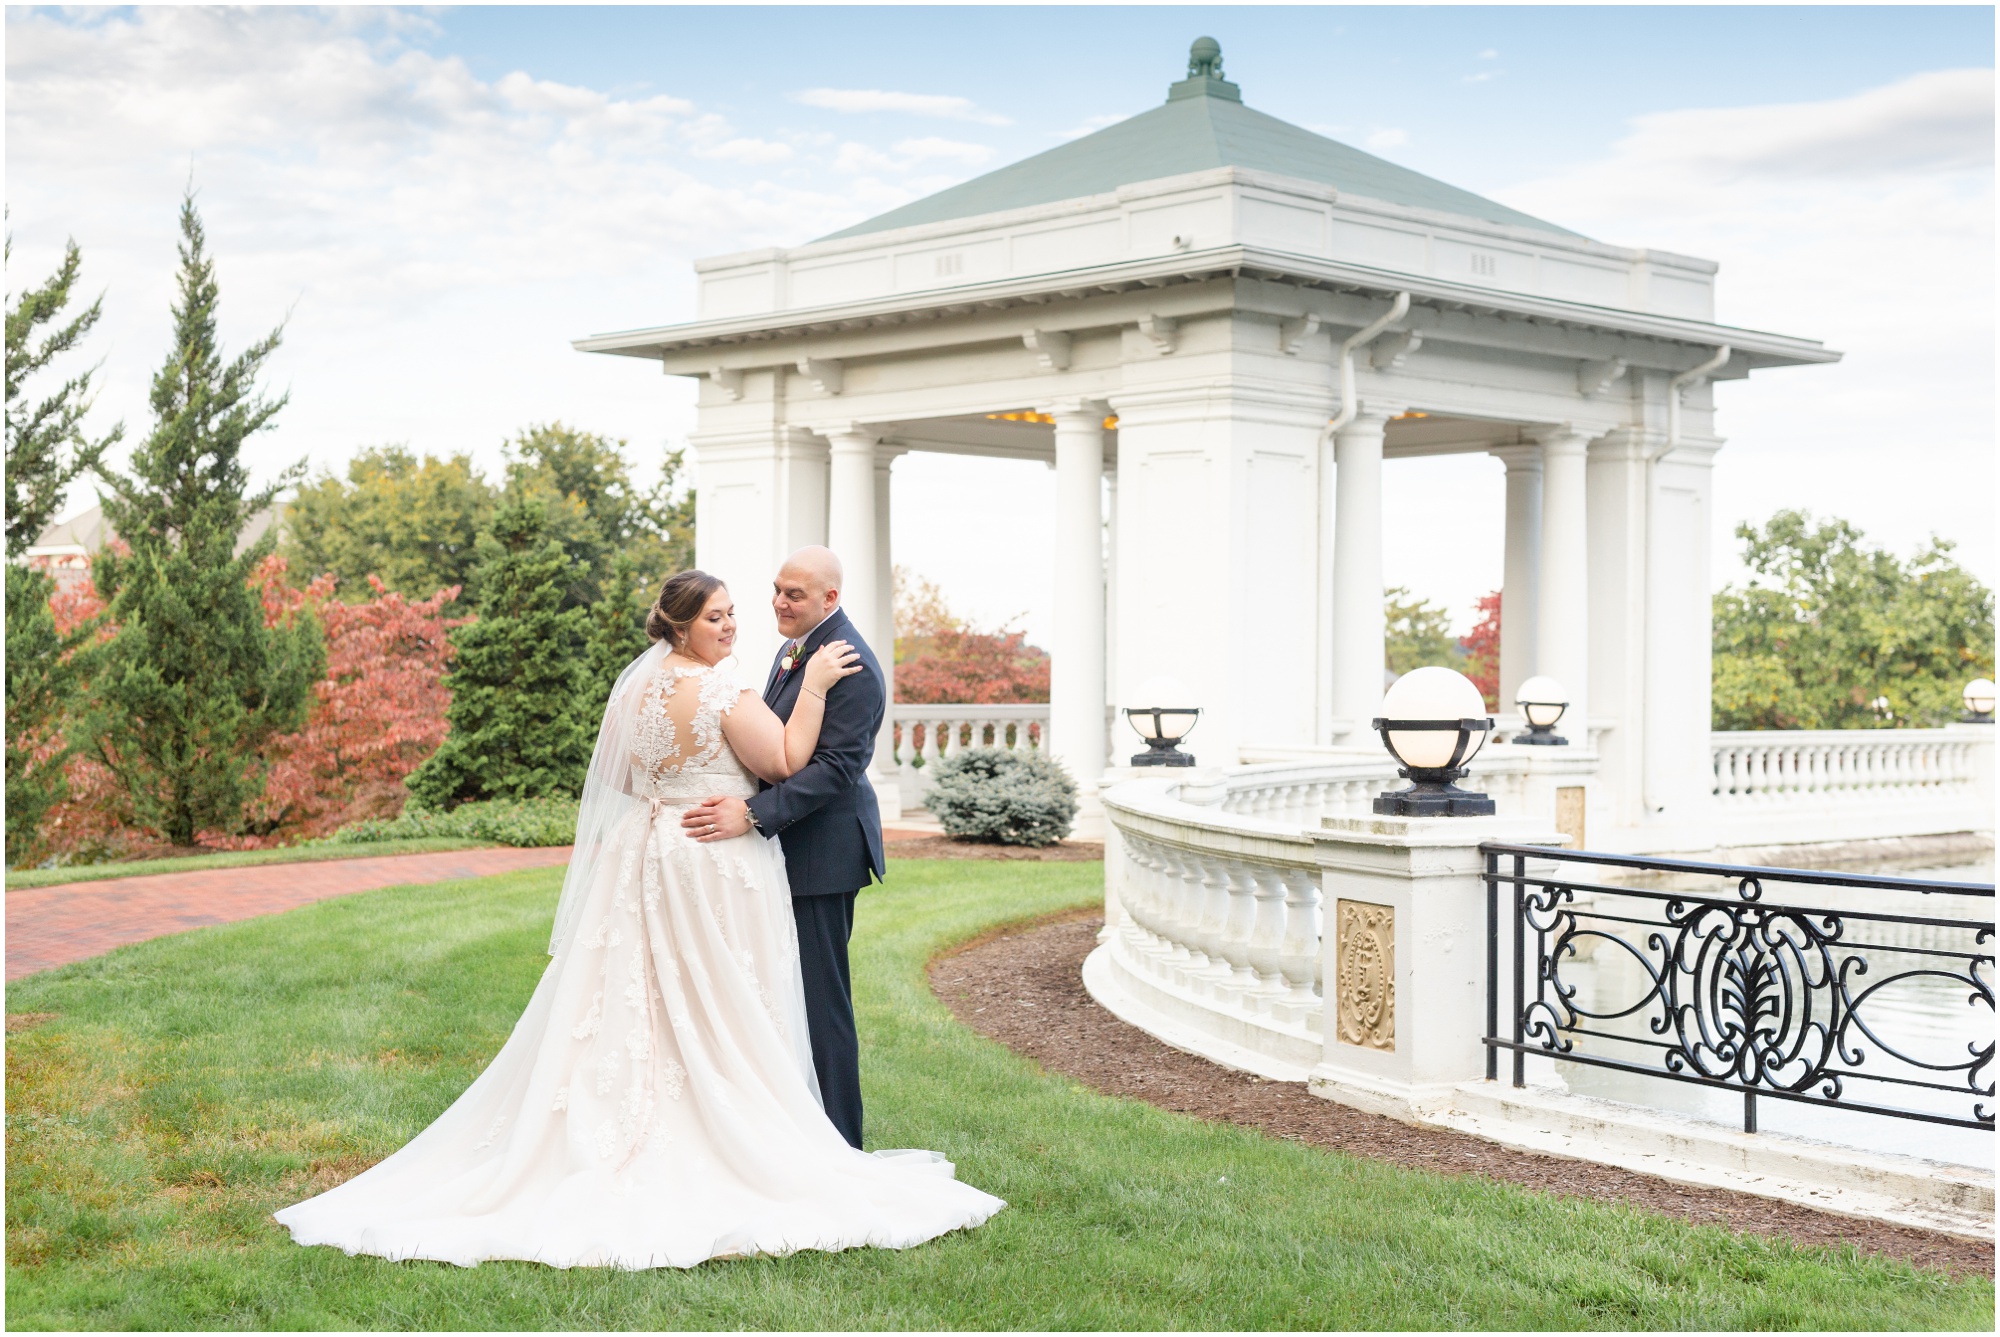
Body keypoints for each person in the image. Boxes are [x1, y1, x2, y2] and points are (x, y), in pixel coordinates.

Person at [273, 569, 1002, 1269]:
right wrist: (810, 687)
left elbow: (620, 775)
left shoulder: (639, 685)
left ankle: (630, 1121)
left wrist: (672, 790)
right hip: (711, 858)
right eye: (716, 615)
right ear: (682, 624)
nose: (731, 623)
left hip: (648, 847)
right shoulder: (723, 685)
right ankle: (746, 1132)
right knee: (722, 997)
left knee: (637, 992)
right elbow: (784, 760)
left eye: (730, 612)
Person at [681, 546, 879, 1149]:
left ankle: (842, 1142)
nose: (779, 602)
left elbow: (835, 770)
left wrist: (753, 814)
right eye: (776, 589)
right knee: (779, 990)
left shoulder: (851, 665)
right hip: (786, 851)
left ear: (830, 599)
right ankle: (791, 1124)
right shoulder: (791, 649)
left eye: (794, 594)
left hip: (822, 853)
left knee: (821, 1000)